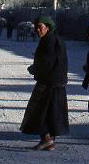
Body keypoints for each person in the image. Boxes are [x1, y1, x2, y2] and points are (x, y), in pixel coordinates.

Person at [20, 16, 69, 151]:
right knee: (52, 111)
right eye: (36, 27)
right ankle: (50, 141)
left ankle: (46, 138)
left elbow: (47, 63)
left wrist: (34, 68)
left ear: (48, 27)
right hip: (57, 83)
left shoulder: (49, 41)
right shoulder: (55, 40)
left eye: (40, 27)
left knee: (39, 110)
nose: (37, 29)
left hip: (48, 83)